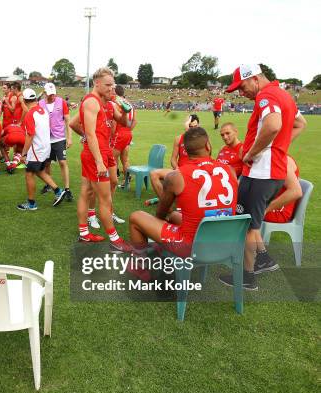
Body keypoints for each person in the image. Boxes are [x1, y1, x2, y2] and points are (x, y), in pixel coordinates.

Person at [220, 63, 307, 288]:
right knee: (254, 222)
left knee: (246, 223)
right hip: (269, 171)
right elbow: (300, 123)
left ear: (255, 78)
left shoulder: (266, 95)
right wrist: (278, 148)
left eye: (242, 86)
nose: (241, 92)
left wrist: (252, 153)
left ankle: (247, 277)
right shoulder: (283, 94)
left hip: (261, 173)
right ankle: (264, 259)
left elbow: (273, 125)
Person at [128, 127, 238, 278]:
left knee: (136, 217)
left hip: (191, 246)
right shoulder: (229, 170)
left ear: (185, 150)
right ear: (208, 146)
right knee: (174, 216)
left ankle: (140, 266)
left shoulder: (177, 176)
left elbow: (160, 213)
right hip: (225, 242)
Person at [75, 67, 129, 251]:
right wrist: (98, 160)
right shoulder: (91, 102)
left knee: (94, 189)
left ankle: (84, 233)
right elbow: (90, 134)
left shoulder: (106, 102)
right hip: (95, 155)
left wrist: (124, 110)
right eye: (107, 85)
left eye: (112, 85)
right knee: (103, 199)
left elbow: (126, 124)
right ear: (96, 83)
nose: (110, 88)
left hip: (105, 151)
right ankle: (115, 240)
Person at [17, 88, 66, 210]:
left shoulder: (30, 114)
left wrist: (23, 154)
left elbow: (30, 135)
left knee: (29, 174)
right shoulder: (43, 111)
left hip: (36, 149)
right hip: (45, 147)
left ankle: (31, 204)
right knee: (39, 171)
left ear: (24, 99)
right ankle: (58, 191)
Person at [148, 114, 200, 203]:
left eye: (195, 126)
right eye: (190, 127)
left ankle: (170, 200)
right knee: (154, 174)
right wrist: (177, 168)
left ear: (199, 125)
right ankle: (166, 205)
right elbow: (173, 158)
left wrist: (187, 129)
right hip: (179, 170)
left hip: (194, 172)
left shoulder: (201, 138)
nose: (193, 129)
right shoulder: (179, 138)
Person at [38, 82, 73, 201]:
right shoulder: (40, 104)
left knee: (63, 162)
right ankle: (49, 184)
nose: (52, 96)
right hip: (46, 138)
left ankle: (67, 190)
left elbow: (68, 120)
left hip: (59, 138)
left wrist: (69, 137)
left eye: (53, 94)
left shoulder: (61, 102)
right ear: (45, 93)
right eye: (49, 94)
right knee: (47, 163)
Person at [112, 85, 136, 188]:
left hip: (119, 133)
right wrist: (128, 131)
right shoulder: (129, 104)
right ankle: (126, 182)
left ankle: (112, 182)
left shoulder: (117, 103)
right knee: (125, 159)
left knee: (112, 158)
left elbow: (114, 122)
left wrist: (112, 135)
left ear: (115, 92)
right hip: (127, 134)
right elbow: (135, 121)